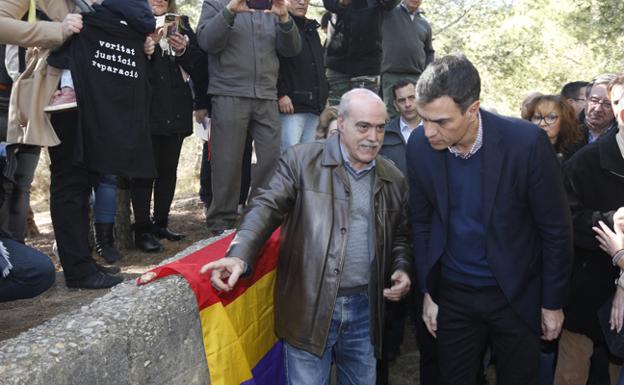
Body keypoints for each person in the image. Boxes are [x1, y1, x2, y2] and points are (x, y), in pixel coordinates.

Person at [200, 89, 412, 385]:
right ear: (342, 122)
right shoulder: (301, 161)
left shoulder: (393, 178)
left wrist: (400, 268)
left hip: (367, 311)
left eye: (379, 127)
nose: (373, 137)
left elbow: (400, 234)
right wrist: (239, 253)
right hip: (308, 307)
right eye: (363, 126)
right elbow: (265, 206)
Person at [407, 54, 573, 385]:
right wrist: (428, 290)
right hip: (452, 296)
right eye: (423, 119)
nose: (428, 132)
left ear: (472, 110)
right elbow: (422, 224)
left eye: (441, 121)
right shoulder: (419, 148)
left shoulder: (525, 143)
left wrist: (552, 303)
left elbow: (555, 229)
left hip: (515, 294)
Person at [196, 0, 301, 236]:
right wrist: (230, 10)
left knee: (272, 160)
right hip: (228, 92)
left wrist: (284, 17)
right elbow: (206, 42)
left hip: (266, 94)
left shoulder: (271, 6)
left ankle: (258, 218)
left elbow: (292, 49)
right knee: (227, 163)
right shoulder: (216, 3)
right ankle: (221, 223)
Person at [554, 73, 624, 385]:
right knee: (572, 373)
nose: (601, 108)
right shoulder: (584, 161)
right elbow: (563, 219)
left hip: (620, 291)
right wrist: (611, 221)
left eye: (608, 103)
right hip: (586, 287)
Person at [130, 0, 209, 252]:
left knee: (168, 169)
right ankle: (141, 230)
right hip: (145, 109)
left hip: (176, 109)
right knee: (143, 172)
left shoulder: (182, 23)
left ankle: (160, 223)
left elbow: (199, 67)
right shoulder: (132, 19)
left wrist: (184, 50)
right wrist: (145, 48)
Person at [323, 0, 400, 106]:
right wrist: (342, 3)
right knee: (336, 112)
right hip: (337, 62)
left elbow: (390, 4)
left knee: (364, 112)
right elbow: (329, 4)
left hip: (367, 63)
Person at [277, 0, 329, 152]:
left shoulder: (312, 29)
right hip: (291, 107)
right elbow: (271, 63)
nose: (302, 2)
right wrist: (281, 94)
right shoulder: (279, 26)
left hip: (314, 108)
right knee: (289, 159)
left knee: (309, 162)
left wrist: (323, 95)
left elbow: (319, 66)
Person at [381, 0, 434, 118]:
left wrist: (427, 74)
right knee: (391, 113)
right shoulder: (389, 11)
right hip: (391, 74)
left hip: (416, 77)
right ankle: (393, 136)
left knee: (418, 113)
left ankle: (415, 137)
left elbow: (429, 52)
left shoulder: (425, 24)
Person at [522, 94, 583, 161]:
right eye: (537, 117)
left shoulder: (576, 154)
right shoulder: (521, 150)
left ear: (564, 120)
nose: (542, 123)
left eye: (551, 117)